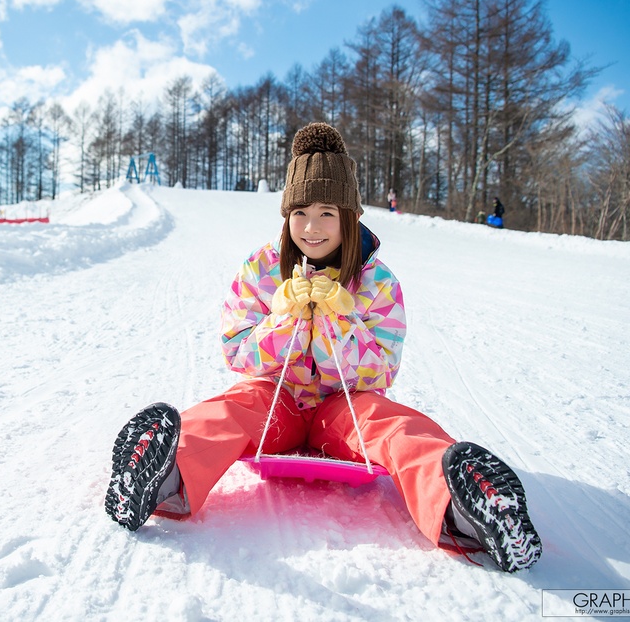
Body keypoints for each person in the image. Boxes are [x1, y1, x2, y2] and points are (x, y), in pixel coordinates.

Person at [105, 123, 542, 573]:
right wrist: (285, 319)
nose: (311, 228)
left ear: (349, 216)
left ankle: (466, 506)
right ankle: (160, 474)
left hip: (345, 407)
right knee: (238, 407)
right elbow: (236, 353)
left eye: (327, 213)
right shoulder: (262, 269)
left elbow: (381, 373)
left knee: (388, 424)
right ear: (286, 215)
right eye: (300, 213)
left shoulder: (378, 281)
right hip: (280, 400)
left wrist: (339, 320)